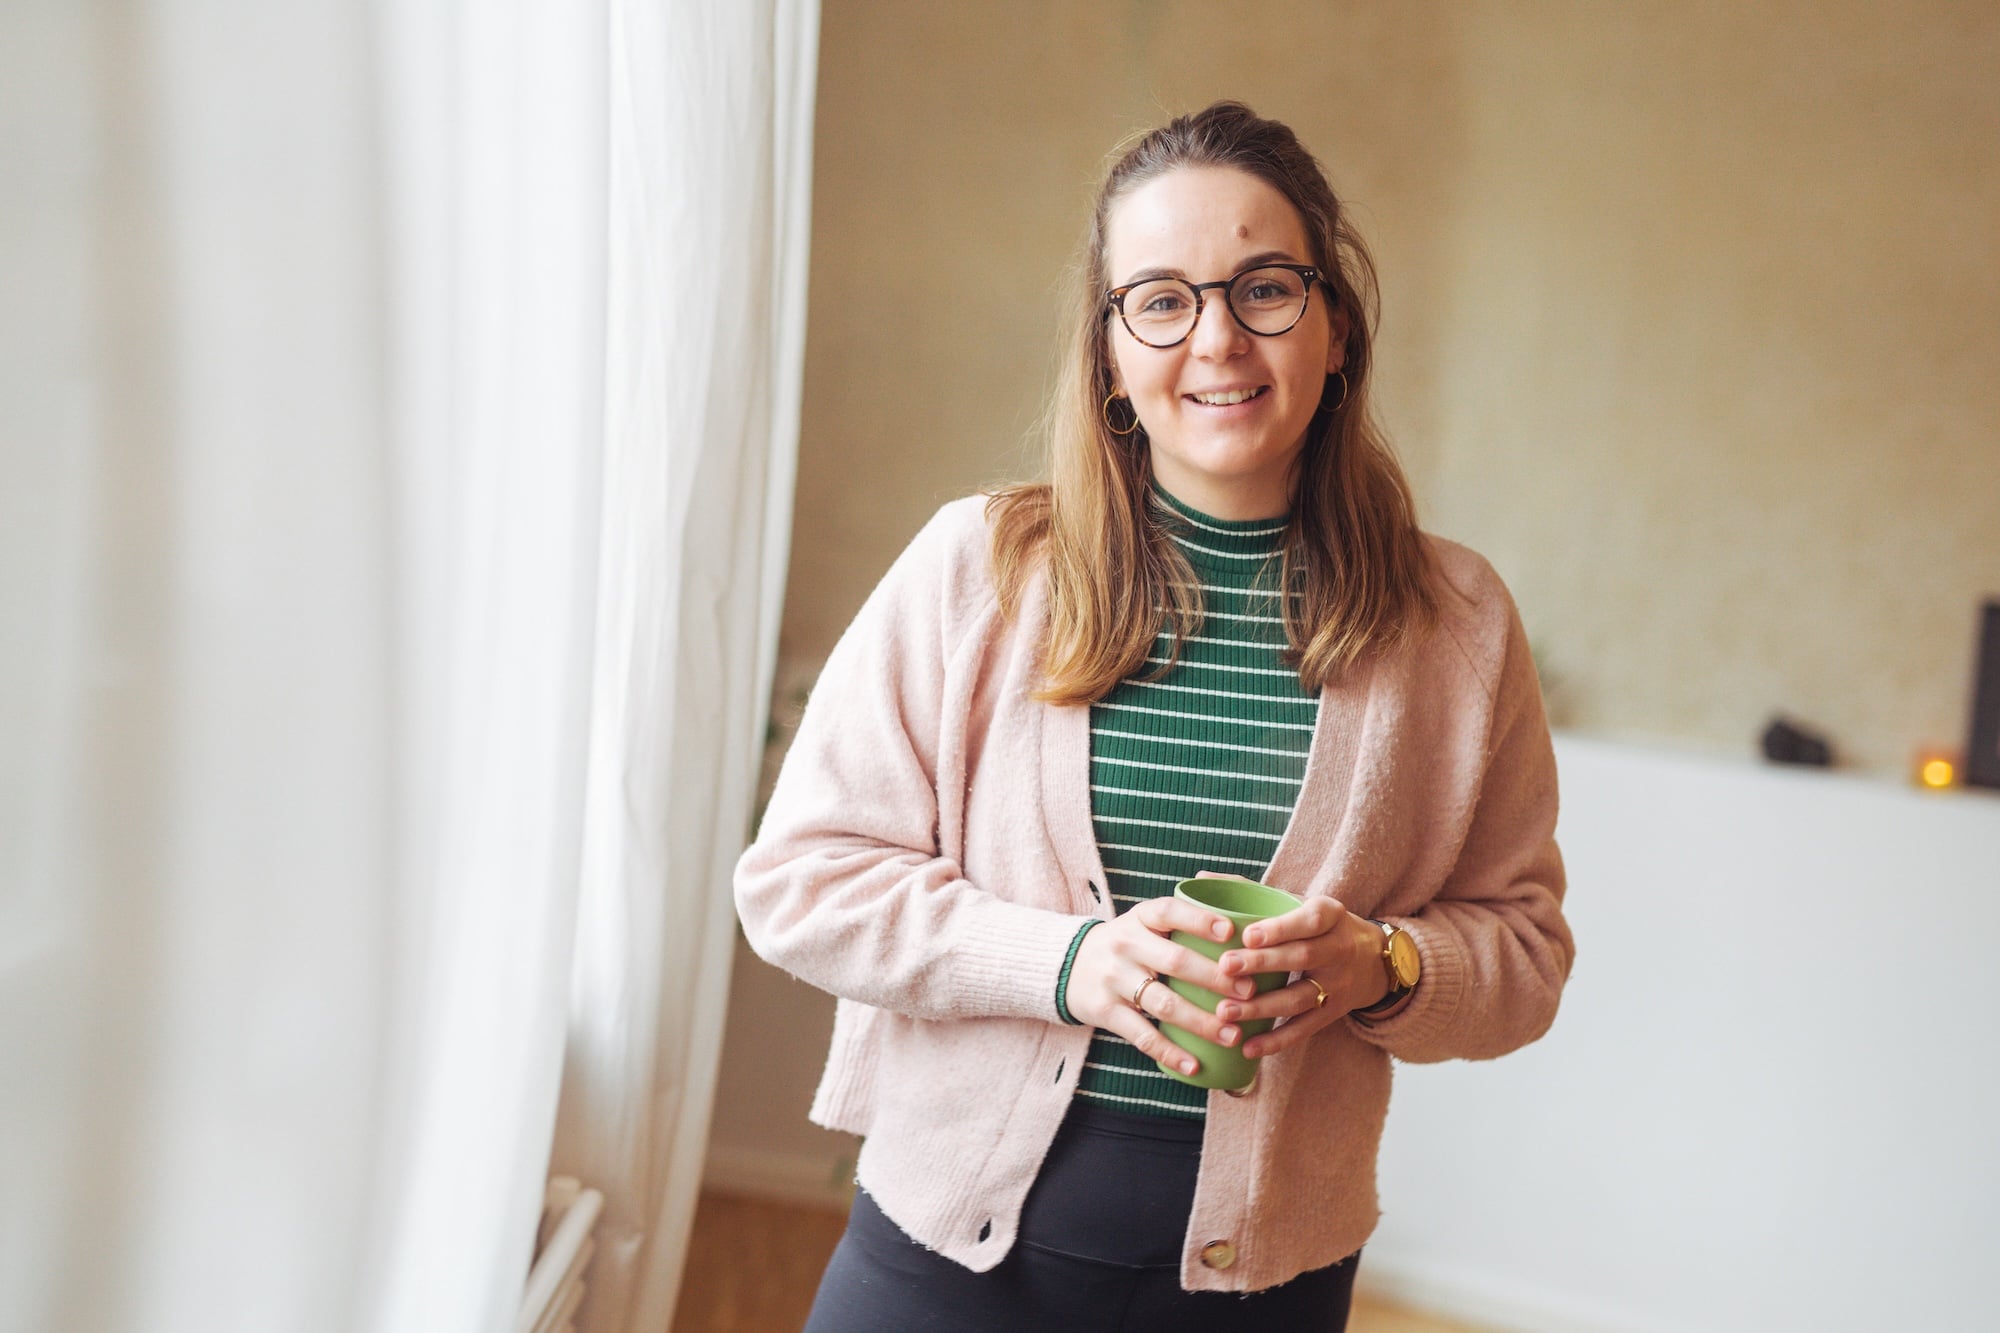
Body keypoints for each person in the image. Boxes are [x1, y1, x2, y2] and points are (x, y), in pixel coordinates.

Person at [735, 101, 1574, 1332]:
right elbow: (800, 883)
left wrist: (1381, 964)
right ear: (1109, 351)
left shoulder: (1452, 619)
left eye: (1264, 288)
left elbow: (1524, 956)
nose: (1217, 339)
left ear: (1335, 326)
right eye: (1162, 300)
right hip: (943, 1255)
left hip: (1263, 1283)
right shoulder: (979, 566)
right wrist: (1068, 962)